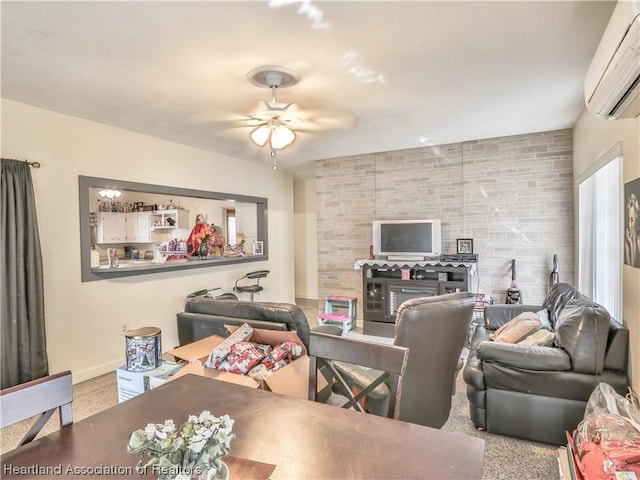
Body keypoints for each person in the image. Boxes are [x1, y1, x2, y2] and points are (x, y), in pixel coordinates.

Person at [625, 192, 640, 268]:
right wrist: (631, 244)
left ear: (637, 220)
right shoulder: (627, 242)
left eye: (632, 220)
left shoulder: (638, 240)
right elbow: (631, 268)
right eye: (628, 219)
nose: (629, 225)